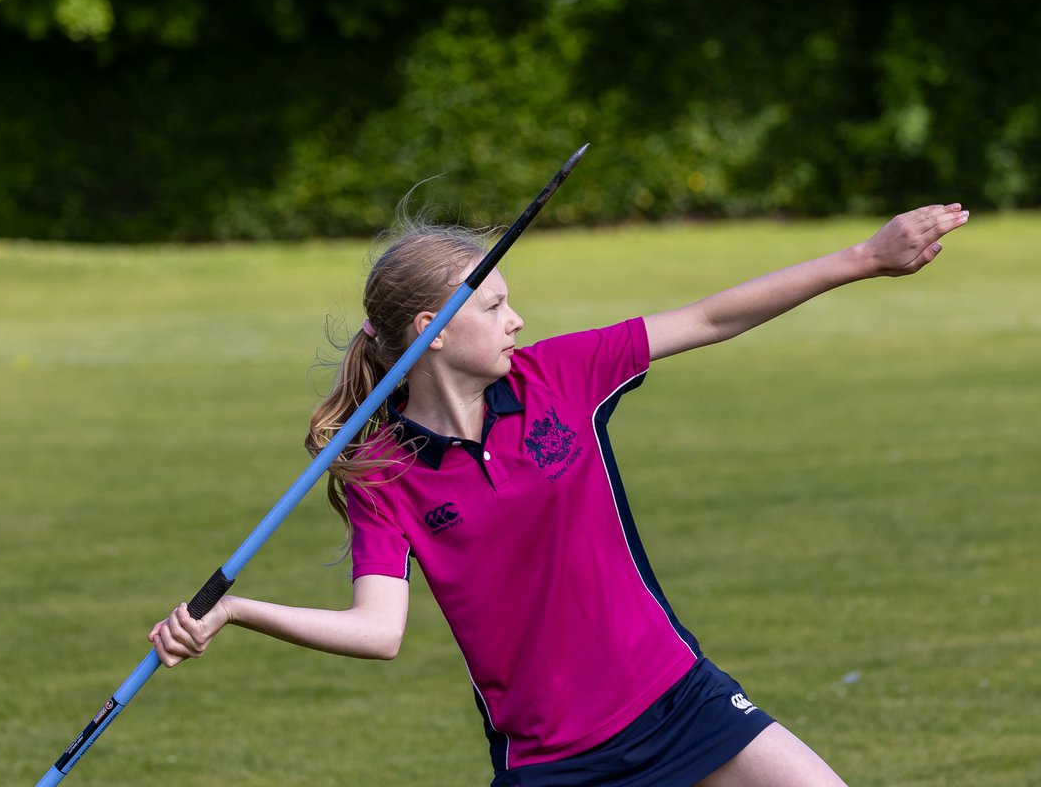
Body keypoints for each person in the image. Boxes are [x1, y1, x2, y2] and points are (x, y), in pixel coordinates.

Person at [150, 202, 969, 786]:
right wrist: (239, 610)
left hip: (676, 696)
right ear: (434, 330)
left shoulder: (564, 375)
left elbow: (710, 318)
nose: (517, 319)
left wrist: (864, 258)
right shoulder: (384, 475)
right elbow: (379, 632)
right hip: (553, 760)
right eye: (495, 304)